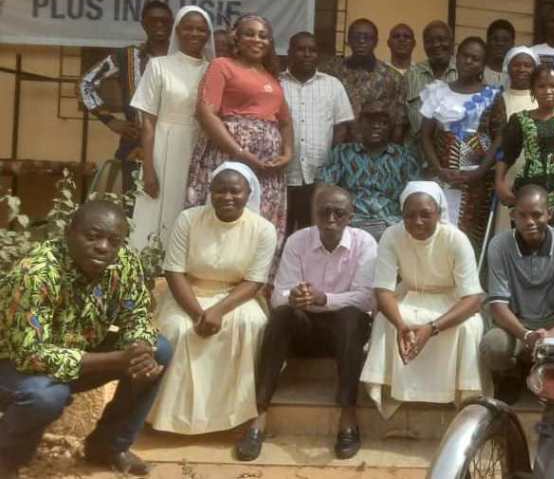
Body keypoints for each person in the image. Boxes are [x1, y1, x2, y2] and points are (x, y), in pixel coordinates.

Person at [0, 201, 171, 478]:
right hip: (13, 364)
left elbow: (137, 315)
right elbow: (30, 354)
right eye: (92, 237)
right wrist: (117, 359)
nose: (103, 247)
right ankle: (7, 460)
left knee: (158, 349)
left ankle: (108, 447)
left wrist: (140, 349)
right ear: (69, 233)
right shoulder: (37, 273)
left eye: (113, 241)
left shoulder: (124, 263)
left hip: (78, 353)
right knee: (47, 395)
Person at [236, 186, 377, 462]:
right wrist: (295, 297)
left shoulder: (365, 243)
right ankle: (259, 414)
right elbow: (279, 295)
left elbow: (366, 299)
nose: (331, 218)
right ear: (314, 214)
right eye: (324, 212)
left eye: (339, 213)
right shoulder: (298, 241)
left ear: (351, 216)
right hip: (305, 329)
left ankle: (348, 413)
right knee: (281, 316)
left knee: (351, 317)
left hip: (345, 334)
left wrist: (324, 298)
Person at [149, 163, 277, 435]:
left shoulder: (264, 229)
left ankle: (234, 416)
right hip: (188, 293)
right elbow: (173, 271)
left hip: (236, 296)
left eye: (235, 191)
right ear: (210, 192)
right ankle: (169, 417)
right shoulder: (188, 219)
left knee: (251, 324)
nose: (227, 197)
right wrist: (198, 314)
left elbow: (254, 282)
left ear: (248, 194)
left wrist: (218, 311)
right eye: (220, 190)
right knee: (176, 328)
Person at [360, 181, 487, 419]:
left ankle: (461, 399)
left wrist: (432, 328)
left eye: (425, 215)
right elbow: (383, 290)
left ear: (439, 213)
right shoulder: (392, 235)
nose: (417, 221)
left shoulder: (456, 239)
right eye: (410, 215)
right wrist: (400, 325)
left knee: (468, 327)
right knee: (384, 322)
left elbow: (473, 298)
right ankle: (394, 392)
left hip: (452, 300)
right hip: (409, 296)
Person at [185, 14, 294, 259]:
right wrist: (239, 153)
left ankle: (254, 278)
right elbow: (205, 113)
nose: (257, 40)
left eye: (263, 36)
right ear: (237, 39)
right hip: (228, 157)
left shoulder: (271, 77)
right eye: (250, 34)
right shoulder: (222, 66)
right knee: (223, 218)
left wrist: (287, 153)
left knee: (259, 224)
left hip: (267, 171)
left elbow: (286, 122)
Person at [480, 185, 554, 402]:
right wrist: (526, 335)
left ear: (549, 214)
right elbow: (497, 305)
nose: (529, 221)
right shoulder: (499, 245)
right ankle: (512, 373)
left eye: (536, 214)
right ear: (513, 216)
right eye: (522, 215)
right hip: (517, 324)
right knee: (492, 346)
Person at [129, 6, 216, 252]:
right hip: (163, 147)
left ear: (208, 35)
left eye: (201, 29)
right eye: (188, 28)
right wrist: (148, 169)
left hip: (199, 149)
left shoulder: (213, 71)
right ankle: (149, 263)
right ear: (177, 31)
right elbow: (148, 122)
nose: (195, 33)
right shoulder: (158, 66)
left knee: (188, 209)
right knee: (155, 211)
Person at [420, 36, 504, 251]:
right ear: (456, 58)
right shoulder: (437, 91)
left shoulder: (492, 95)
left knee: (469, 238)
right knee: (439, 232)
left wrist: (479, 171)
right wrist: (439, 170)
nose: (469, 61)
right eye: (465, 56)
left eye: (475, 59)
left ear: (482, 65)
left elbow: (499, 137)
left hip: (477, 181)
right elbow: (425, 136)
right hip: (442, 176)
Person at [79, 0, 172, 193]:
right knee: (134, 202)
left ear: (172, 24)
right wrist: (109, 120)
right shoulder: (126, 56)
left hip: (173, 143)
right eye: (153, 21)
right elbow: (86, 83)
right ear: (143, 24)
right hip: (135, 145)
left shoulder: (180, 57)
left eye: (164, 21)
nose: (159, 25)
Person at [280, 32, 354, 234]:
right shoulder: (276, 83)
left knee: (313, 233)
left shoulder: (333, 85)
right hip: (283, 175)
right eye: (300, 49)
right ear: (289, 52)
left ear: (318, 55)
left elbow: (341, 127)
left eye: (312, 50)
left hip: (319, 175)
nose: (306, 54)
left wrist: (330, 164)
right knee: (282, 233)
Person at [318, 102, 422, 240]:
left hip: (391, 224)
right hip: (350, 225)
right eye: (370, 122)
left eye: (383, 122)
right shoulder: (342, 153)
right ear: (360, 125)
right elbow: (324, 189)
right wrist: (319, 227)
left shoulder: (404, 157)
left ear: (390, 127)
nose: (376, 126)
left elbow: (416, 194)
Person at [496, 64, 554, 211]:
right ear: (533, 90)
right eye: (541, 86)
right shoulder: (520, 119)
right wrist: (500, 183)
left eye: (553, 86)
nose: (548, 91)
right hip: (530, 194)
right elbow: (505, 154)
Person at [322, 19, 406, 144]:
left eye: (367, 37)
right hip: (338, 148)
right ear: (348, 40)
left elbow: (398, 124)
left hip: (376, 150)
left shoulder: (392, 78)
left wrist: (392, 152)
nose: (361, 41)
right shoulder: (331, 72)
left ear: (376, 42)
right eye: (356, 37)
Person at [489, 46, 538, 232]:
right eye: (517, 65)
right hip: (507, 177)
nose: (522, 69)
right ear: (507, 68)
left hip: (537, 177)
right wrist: (499, 180)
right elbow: (496, 140)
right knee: (507, 230)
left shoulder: (543, 98)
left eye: (527, 65)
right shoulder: (499, 99)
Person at [405, 21, 458, 142]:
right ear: (424, 45)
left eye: (441, 39)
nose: (436, 45)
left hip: (454, 149)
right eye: (429, 41)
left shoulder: (464, 72)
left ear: (452, 42)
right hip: (416, 150)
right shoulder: (411, 75)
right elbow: (402, 120)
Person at [483, 19, 516, 87]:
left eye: (505, 40)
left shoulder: (517, 75)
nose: (500, 43)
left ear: (513, 44)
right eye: (495, 39)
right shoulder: (477, 72)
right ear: (487, 42)